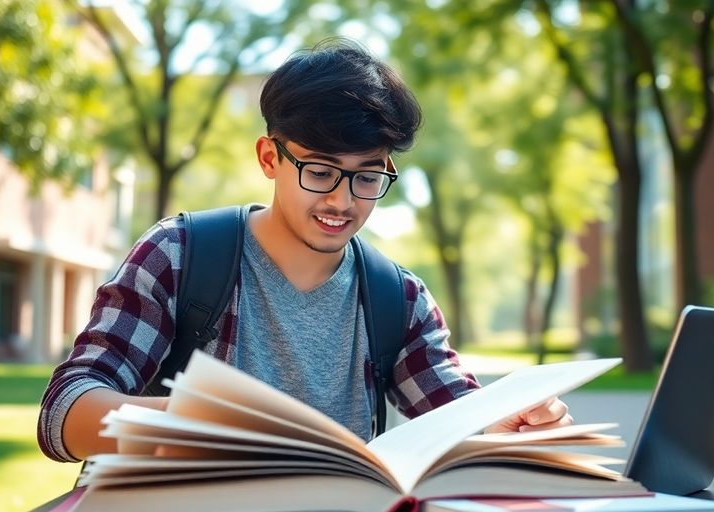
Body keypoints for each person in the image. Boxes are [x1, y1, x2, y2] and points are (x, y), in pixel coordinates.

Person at [37, 39, 572, 463]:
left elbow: (460, 413)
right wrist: (188, 424)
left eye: (367, 176)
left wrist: (508, 423)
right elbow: (65, 413)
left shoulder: (399, 297)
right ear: (270, 157)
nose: (341, 201)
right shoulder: (179, 255)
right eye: (319, 172)